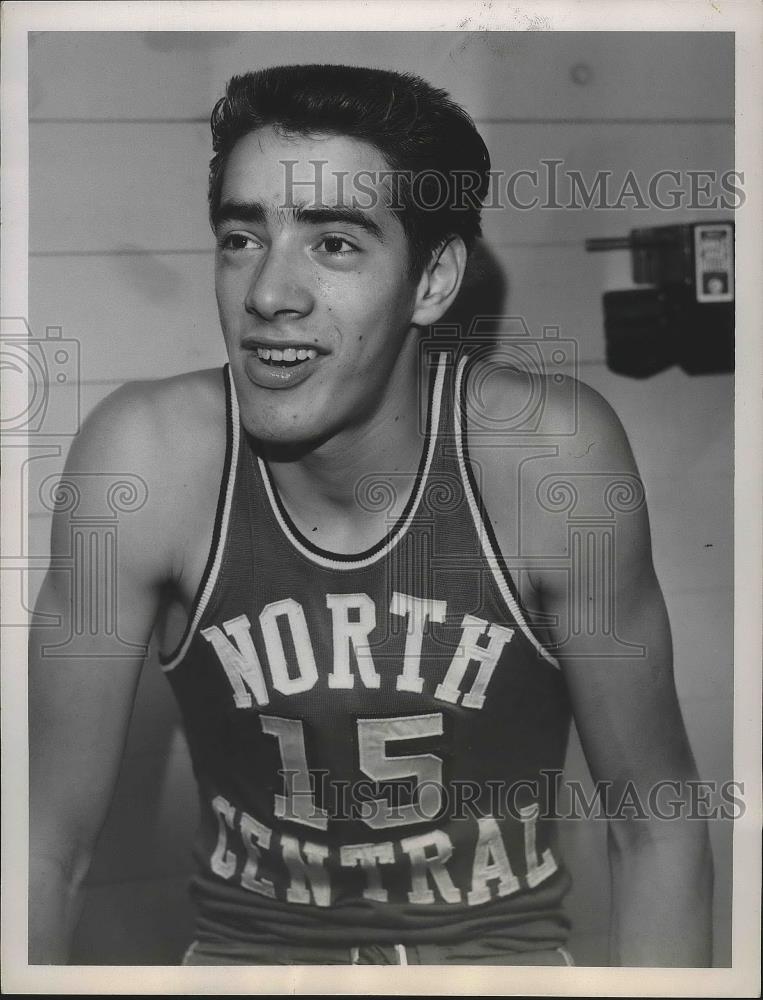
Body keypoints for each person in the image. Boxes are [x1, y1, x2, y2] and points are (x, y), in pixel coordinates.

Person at [29, 64, 712, 967]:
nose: (269, 293)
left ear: (431, 281)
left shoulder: (552, 458)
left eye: (336, 244)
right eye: (241, 236)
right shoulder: (143, 459)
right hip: (249, 967)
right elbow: (41, 846)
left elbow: (654, 826)